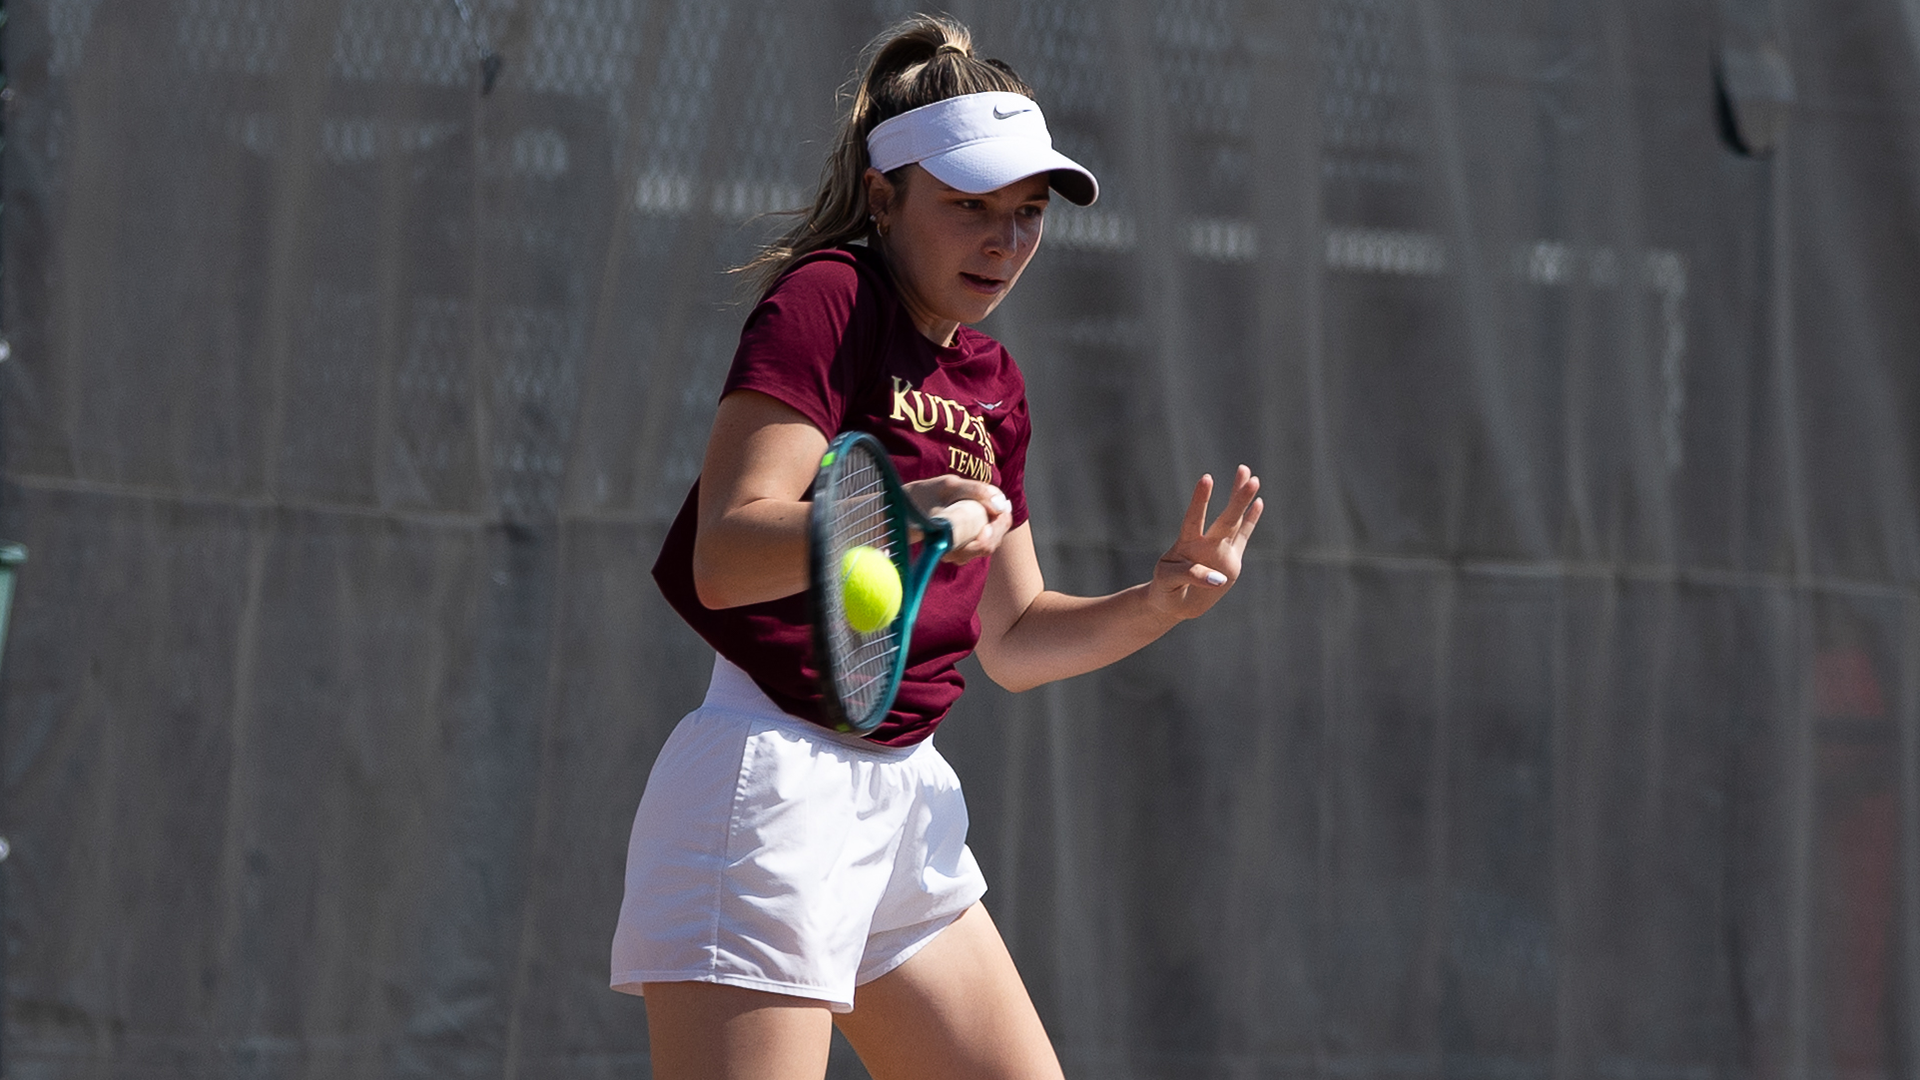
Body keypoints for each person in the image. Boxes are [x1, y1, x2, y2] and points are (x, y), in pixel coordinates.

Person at [611, 15, 1263, 1080]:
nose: (1004, 241)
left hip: (905, 805)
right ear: (884, 194)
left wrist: (1157, 603)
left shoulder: (993, 385)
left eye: (1028, 214)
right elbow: (726, 552)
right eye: (970, 206)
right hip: (768, 791)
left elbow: (1010, 637)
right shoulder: (830, 298)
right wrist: (897, 519)